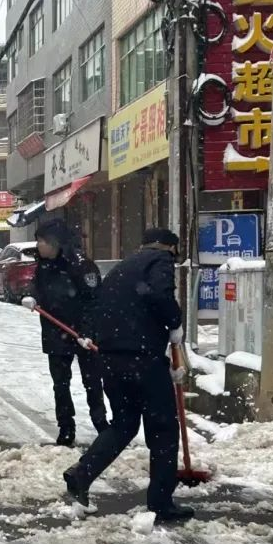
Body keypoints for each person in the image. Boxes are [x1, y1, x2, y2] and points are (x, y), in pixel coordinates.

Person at [63, 228, 192, 524]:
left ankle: (82, 473)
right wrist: (174, 323)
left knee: (124, 424)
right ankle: (161, 502)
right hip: (142, 358)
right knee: (163, 430)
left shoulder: (123, 267)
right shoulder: (159, 261)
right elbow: (160, 296)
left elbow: (97, 306)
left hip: (110, 358)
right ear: (170, 248)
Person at [22, 219, 108, 447]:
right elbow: (37, 287)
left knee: (92, 381)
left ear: (55, 243)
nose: (38, 245)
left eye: (41, 241)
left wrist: (88, 332)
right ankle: (66, 428)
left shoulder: (81, 265)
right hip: (55, 331)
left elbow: (94, 301)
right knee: (60, 383)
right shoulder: (44, 264)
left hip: (82, 334)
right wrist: (33, 297)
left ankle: (101, 425)